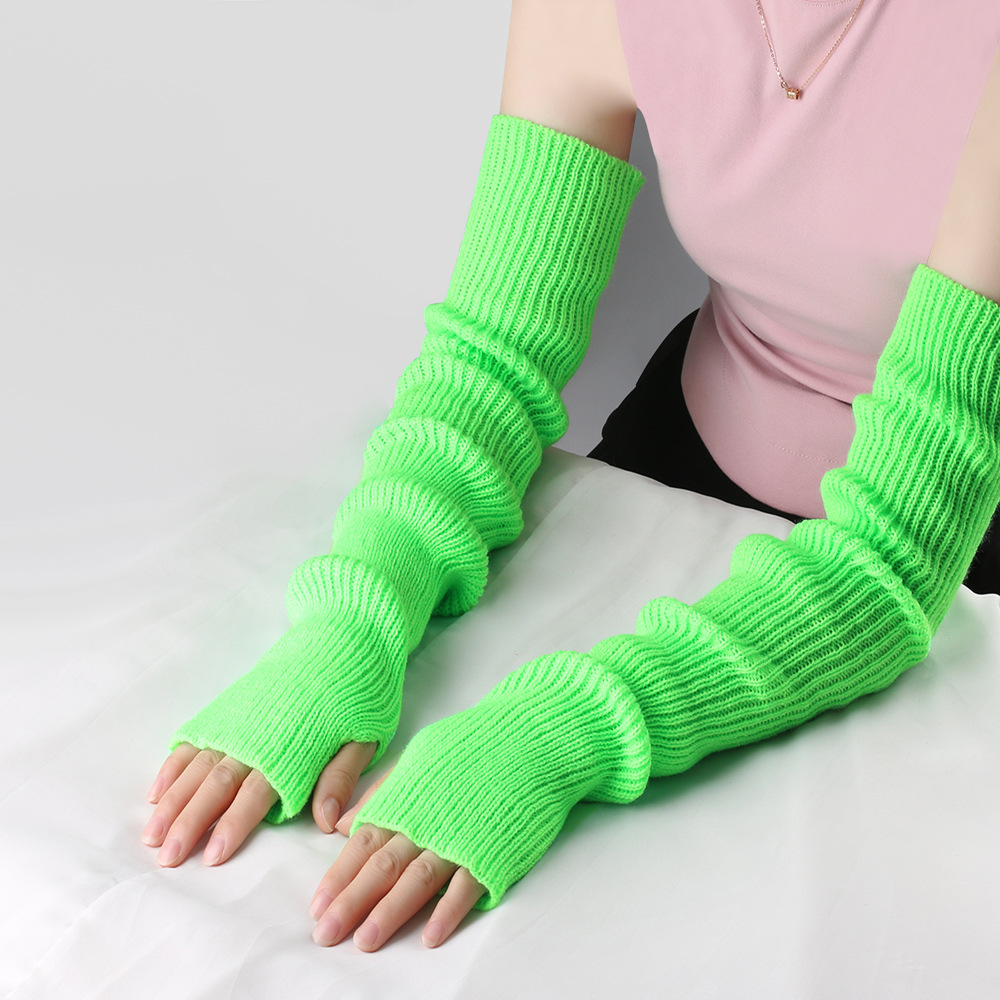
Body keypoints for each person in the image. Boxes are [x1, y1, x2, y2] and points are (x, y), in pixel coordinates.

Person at [140, 0, 1000, 954]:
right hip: (695, 444)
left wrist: (555, 735)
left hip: (965, 526)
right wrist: (351, 621)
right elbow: (491, 358)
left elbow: (893, 558)